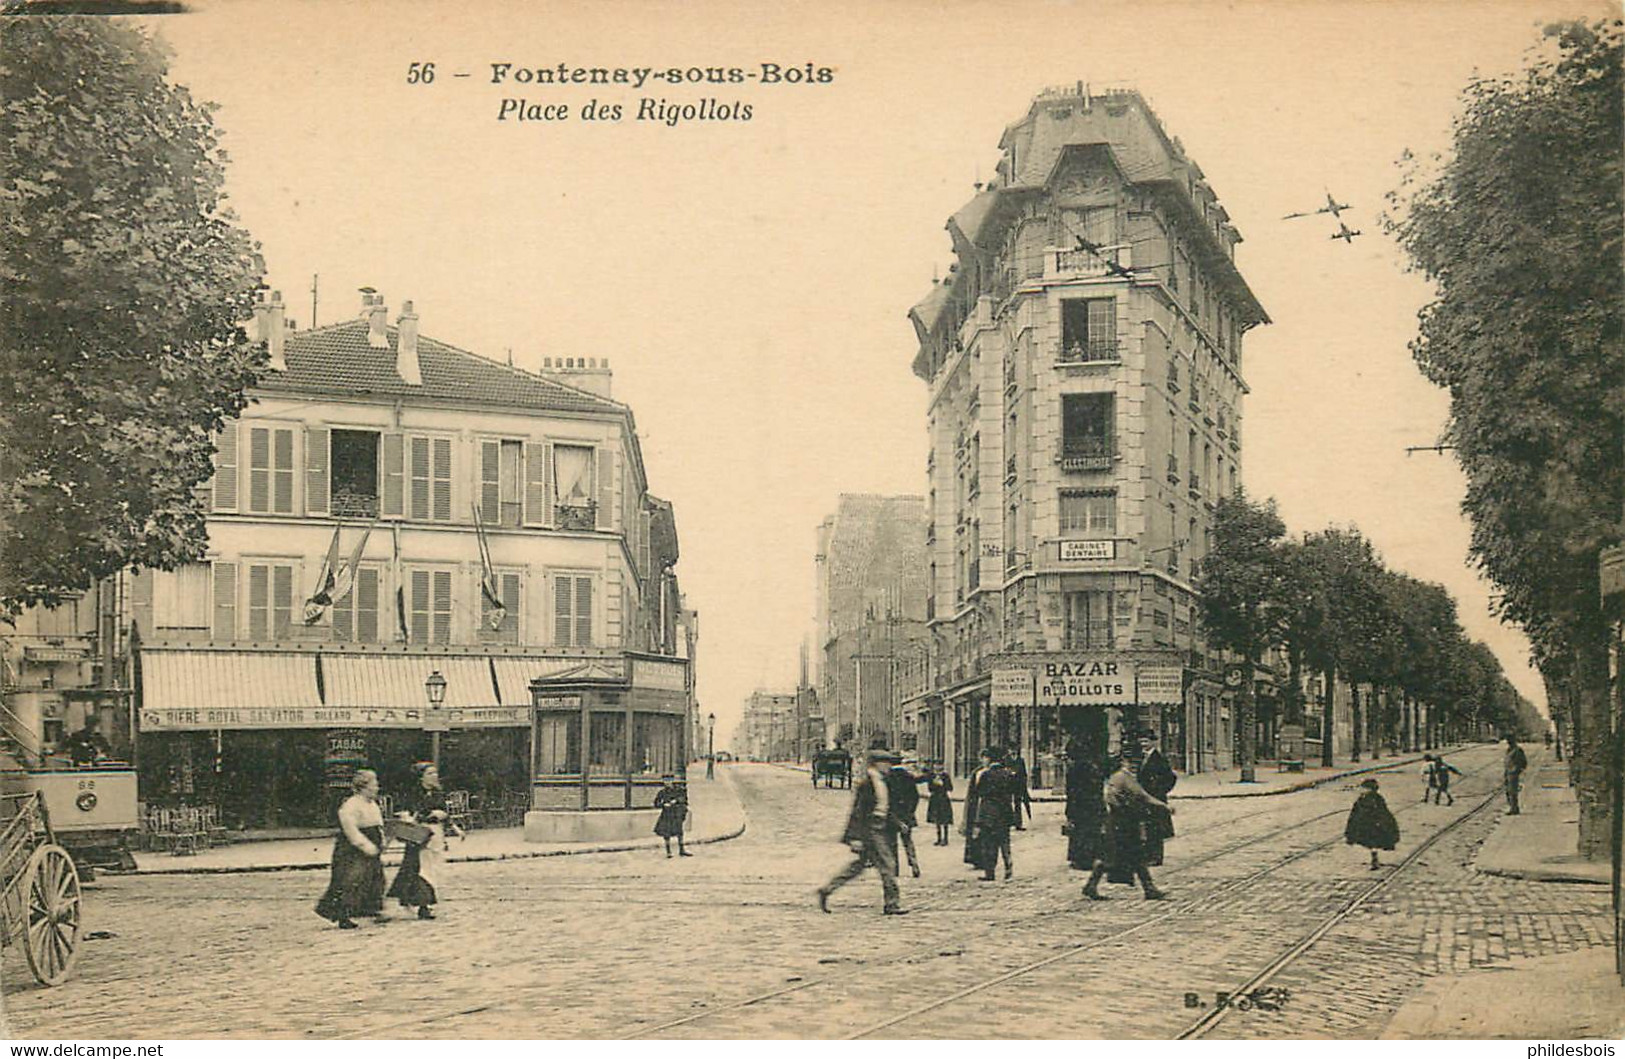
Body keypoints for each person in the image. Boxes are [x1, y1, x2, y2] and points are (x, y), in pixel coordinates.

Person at [817, 749, 904, 915]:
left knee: (858, 867)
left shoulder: (884, 781)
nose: (889, 766)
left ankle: (827, 890)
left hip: (880, 827)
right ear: (877, 764)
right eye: (886, 763)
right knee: (888, 864)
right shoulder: (867, 784)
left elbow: (884, 807)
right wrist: (855, 838)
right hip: (871, 829)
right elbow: (858, 813)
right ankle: (891, 904)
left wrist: (898, 823)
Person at [1082, 755, 1172, 901]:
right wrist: (1164, 806)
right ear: (1124, 762)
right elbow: (1143, 796)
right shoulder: (1124, 778)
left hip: (1116, 821)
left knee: (1117, 856)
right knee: (1130, 856)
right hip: (1124, 823)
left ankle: (1091, 885)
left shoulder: (1115, 777)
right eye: (1131, 761)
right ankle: (1149, 889)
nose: (1134, 765)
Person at [315, 769, 388, 929]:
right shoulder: (351, 805)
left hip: (371, 843)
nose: (377, 788)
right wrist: (365, 846)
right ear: (364, 786)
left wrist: (381, 841)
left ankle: (370, 910)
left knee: (374, 878)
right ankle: (343, 915)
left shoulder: (373, 804)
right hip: (352, 849)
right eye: (374, 784)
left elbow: (378, 825)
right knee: (351, 881)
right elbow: (351, 830)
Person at [386, 762, 456, 920]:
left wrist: (451, 824)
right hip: (420, 835)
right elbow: (408, 813)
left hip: (436, 834)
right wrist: (427, 815)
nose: (434, 776)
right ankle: (424, 905)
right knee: (422, 869)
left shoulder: (438, 793)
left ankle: (410, 898)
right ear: (421, 778)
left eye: (435, 773)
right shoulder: (413, 794)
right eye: (430, 774)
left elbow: (445, 813)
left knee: (427, 868)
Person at [965, 746, 1018, 881]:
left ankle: (990, 873)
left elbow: (979, 793)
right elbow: (1013, 791)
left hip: (989, 813)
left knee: (990, 844)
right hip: (1005, 812)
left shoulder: (986, 775)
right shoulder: (1008, 774)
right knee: (1005, 842)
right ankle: (1008, 866)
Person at [1064, 741, 1107, 872]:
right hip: (1093, 804)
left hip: (1080, 805)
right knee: (1091, 832)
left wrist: (1069, 812)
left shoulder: (1074, 770)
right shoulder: (1093, 766)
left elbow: (1072, 793)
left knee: (1081, 833)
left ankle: (1082, 860)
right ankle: (1091, 858)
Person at [1136, 744, 1178, 868]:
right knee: (1148, 827)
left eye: (1146, 741)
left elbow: (1171, 777)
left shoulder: (1159, 758)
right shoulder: (1142, 757)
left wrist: (1161, 790)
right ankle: (1148, 855)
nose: (1143, 744)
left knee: (1156, 828)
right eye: (1141, 741)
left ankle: (1156, 857)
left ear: (1152, 743)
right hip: (1146, 798)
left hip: (1156, 798)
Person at [1344, 777, 1400, 870]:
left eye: (1364, 788)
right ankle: (1374, 858)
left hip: (1371, 824)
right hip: (1369, 824)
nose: (1362, 790)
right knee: (1371, 842)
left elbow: (1381, 812)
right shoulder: (1369, 798)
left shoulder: (1368, 799)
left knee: (1372, 842)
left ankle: (1374, 858)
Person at [886, 755, 923, 878]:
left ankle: (894, 869)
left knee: (892, 843)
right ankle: (914, 865)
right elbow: (915, 797)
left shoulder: (887, 777)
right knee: (908, 841)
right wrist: (911, 812)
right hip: (906, 814)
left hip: (892, 815)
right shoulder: (908, 777)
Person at [653, 774, 692, 857]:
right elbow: (656, 803)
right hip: (667, 814)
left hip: (676, 813)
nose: (667, 783)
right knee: (666, 833)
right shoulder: (662, 792)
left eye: (669, 780)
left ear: (672, 780)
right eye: (665, 781)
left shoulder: (678, 790)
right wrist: (663, 804)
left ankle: (682, 850)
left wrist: (675, 801)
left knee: (679, 831)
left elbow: (684, 799)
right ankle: (668, 852)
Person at [925, 761, 954, 846]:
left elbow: (950, 788)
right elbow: (930, 788)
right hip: (935, 799)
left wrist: (942, 784)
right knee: (937, 820)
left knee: (945, 820)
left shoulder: (945, 776)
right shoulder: (931, 776)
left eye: (939, 765)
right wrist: (934, 784)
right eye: (936, 765)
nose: (937, 767)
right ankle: (938, 838)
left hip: (943, 798)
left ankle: (945, 839)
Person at [1008, 751, 1033, 831]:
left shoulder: (1020, 760)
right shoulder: (1006, 759)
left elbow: (1024, 773)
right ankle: (1010, 822)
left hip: (1019, 785)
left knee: (1017, 804)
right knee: (1008, 804)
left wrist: (1024, 784)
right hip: (1009, 784)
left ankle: (1018, 824)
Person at [1503, 734, 1527, 815]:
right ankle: (1512, 807)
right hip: (1508, 772)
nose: (1508, 742)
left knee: (1513, 791)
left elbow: (1524, 762)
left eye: (1510, 741)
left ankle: (1514, 808)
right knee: (1508, 791)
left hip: (1514, 773)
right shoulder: (1509, 750)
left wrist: (1517, 770)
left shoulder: (1518, 750)